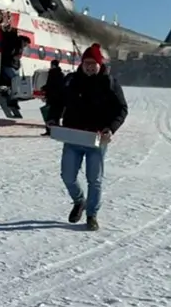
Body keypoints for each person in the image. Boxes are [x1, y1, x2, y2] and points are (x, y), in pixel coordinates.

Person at [50, 43, 128, 230]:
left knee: (95, 180)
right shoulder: (71, 80)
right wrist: (53, 118)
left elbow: (121, 109)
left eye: (94, 63)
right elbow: (58, 102)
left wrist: (111, 128)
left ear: (100, 64)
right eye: (87, 63)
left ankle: (92, 215)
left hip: (96, 139)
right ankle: (79, 201)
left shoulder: (109, 83)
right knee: (67, 176)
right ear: (82, 64)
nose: (90, 66)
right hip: (73, 137)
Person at [41, 59, 65, 136]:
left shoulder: (52, 73)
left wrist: (45, 89)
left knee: (50, 115)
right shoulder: (60, 74)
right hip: (58, 98)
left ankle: (49, 131)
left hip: (52, 98)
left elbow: (50, 85)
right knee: (55, 116)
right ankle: (54, 131)